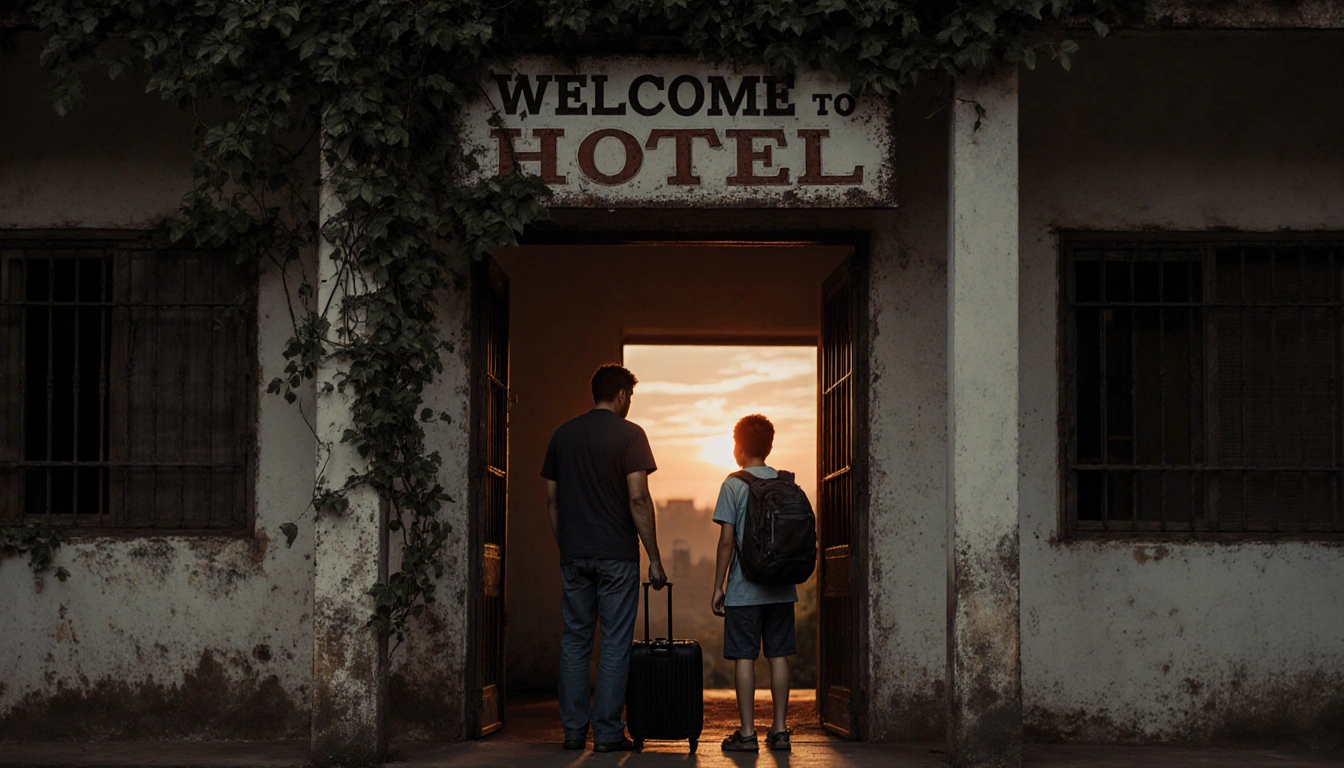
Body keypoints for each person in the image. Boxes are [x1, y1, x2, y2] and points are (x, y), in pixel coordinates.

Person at [543, 364, 668, 753]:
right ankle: (609, 734)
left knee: (575, 641)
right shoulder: (631, 435)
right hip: (617, 556)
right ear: (622, 396)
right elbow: (638, 497)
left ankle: (573, 732)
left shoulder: (562, 435)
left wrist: (567, 546)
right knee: (614, 643)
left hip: (575, 554)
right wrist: (654, 557)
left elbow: (551, 500)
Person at [711, 414, 797, 752]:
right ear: (768, 446)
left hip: (743, 589)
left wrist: (719, 586)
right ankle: (780, 730)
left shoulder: (733, 485)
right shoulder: (785, 482)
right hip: (781, 588)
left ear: (739, 446)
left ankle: (747, 733)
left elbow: (726, 542)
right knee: (779, 656)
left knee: (744, 658)